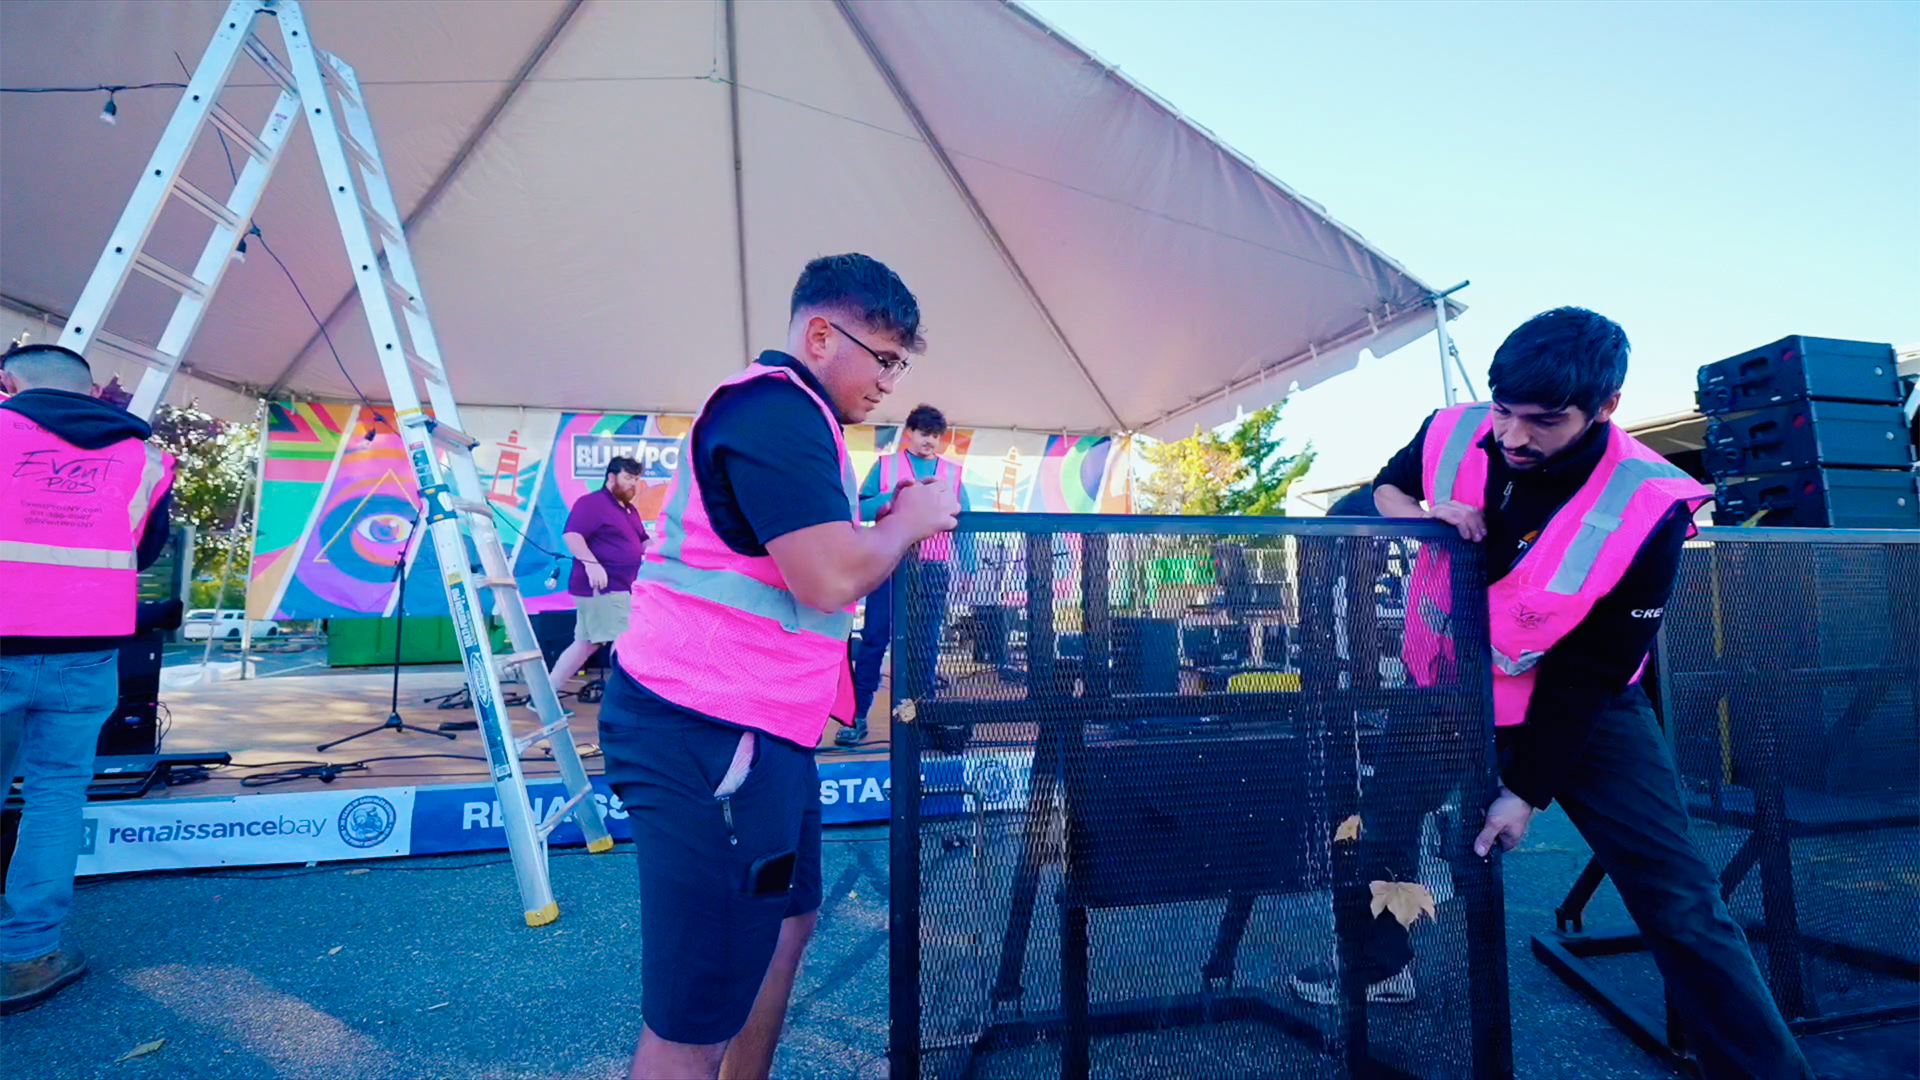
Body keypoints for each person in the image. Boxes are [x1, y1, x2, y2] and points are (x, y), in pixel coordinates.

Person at [1293, 308, 1810, 1079]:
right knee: (1381, 837)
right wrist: (1424, 514)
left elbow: (1593, 672)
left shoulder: (1648, 503)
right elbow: (1385, 491)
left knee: (1681, 901)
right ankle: (1379, 965)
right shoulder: (1451, 430)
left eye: (1542, 420)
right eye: (1504, 409)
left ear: (1605, 407)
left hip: (1586, 711)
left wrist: (1525, 791)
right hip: (1446, 695)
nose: (1512, 435)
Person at [597, 255, 958, 1080]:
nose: (890, 384)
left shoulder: (801, 423)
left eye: (902, 364)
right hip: (708, 727)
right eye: (886, 358)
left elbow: (809, 561)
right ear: (821, 334)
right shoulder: (775, 410)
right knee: (696, 1005)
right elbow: (829, 576)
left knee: (787, 925)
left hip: (763, 731)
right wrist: (911, 519)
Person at [0, 344, 174, 1014]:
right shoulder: (147, 457)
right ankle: (26, 955)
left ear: (8, 382)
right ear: (96, 389)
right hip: (86, 649)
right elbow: (147, 546)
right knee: (54, 797)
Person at [840, 403, 971, 746]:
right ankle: (857, 717)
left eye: (935, 436)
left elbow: (968, 525)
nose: (930, 441)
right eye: (924, 433)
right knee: (873, 641)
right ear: (909, 433)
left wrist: (968, 569)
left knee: (924, 649)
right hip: (887, 564)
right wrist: (896, 496)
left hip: (931, 569)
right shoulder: (885, 467)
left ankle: (919, 721)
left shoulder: (953, 473)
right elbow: (859, 509)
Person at [547, 455, 649, 690]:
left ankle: (545, 697)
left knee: (584, 644)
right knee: (625, 640)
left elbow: (643, 540)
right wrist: (592, 564)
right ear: (611, 477)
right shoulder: (591, 503)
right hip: (604, 587)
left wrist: (667, 552)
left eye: (636, 479)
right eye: (628, 478)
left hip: (621, 586)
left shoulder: (629, 510)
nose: (633, 484)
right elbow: (572, 535)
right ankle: (624, 699)